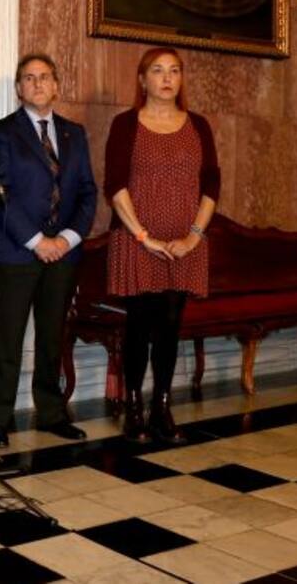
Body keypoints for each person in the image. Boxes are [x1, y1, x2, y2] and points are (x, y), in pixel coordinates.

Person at [0, 53, 97, 448]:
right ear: (18, 89)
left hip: (64, 255)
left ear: (56, 85)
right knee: (7, 340)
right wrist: (37, 241)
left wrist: (66, 239)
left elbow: (86, 193)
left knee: (52, 338)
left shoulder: (74, 134)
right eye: (28, 78)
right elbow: (1, 193)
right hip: (16, 251)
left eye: (44, 77)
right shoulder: (3, 131)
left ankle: (51, 412)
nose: (37, 84)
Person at [105, 46, 218, 444]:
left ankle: (162, 407)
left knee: (170, 326)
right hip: (138, 240)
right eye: (157, 70)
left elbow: (211, 185)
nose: (167, 78)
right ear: (142, 80)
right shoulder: (125, 124)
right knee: (139, 325)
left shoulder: (199, 125)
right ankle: (134, 408)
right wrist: (143, 237)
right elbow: (115, 185)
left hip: (185, 244)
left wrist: (193, 237)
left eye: (174, 71)